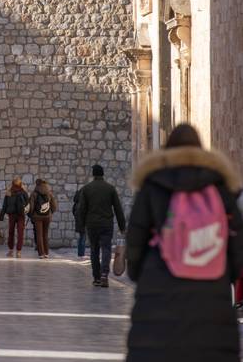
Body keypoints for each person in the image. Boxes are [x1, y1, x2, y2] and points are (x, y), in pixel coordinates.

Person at [126, 124, 243, 362]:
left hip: (158, 289)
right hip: (212, 295)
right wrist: (221, 275)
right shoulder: (221, 187)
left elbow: (135, 240)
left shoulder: (152, 185)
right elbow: (237, 245)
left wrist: (143, 275)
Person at [77, 163, 126, 288]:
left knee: (94, 250)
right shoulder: (110, 188)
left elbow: (81, 209)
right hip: (106, 224)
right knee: (106, 249)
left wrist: (80, 227)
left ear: (93, 174)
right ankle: (104, 274)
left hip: (92, 224)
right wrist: (122, 226)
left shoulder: (87, 189)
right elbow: (118, 209)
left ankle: (97, 278)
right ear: (103, 174)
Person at [0, 175, 29, 257]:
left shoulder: (10, 192)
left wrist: (2, 215)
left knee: (12, 232)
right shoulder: (22, 192)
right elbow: (28, 204)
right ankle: (18, 251)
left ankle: (11, 250)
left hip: (14, 215)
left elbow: (4, 205)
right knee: (19, 233)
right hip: (19, 215)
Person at [29, 178, 58, 258]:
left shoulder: (34, 193)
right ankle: (46, 253)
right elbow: (54, 206)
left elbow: (31, 207)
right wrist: (50, 212)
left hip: (37, 217)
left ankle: (41, 254)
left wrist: (31, 215)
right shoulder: (49, 193)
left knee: (39, 235)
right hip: (47, 217)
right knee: (45, 234)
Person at [73, 187, 86, 258]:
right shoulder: (81, 204)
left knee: (82, 238)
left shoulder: (76, 204)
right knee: (83, 238)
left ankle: (80, 253)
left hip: (79, 223)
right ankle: (81, 253)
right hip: (83, 223)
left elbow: (73, 212)